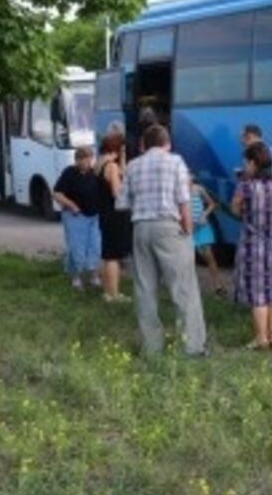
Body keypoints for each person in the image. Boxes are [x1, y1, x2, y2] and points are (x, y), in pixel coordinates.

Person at [124, 124, 207, 357]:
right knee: (183, 288)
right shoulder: (175, 162)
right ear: (167, 143)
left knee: (144, 288)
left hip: (140, 228)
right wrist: (188, 230)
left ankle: (151, 347)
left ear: (144, 144)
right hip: (169, 227)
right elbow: (184, 200)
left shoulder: (132, 165)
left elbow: (122, 202)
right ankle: (192, 347)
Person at [231, 141, 272, 349]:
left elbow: (235, 210)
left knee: (259, 293)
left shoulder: (245, 186)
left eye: (246, 162)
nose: (245, 166)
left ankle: (261, 338)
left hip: (253, 245)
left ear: (254, 163)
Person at [53, 146, 102, 289]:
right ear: (77, 160)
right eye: (82, 159)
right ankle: (76, 277)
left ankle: (93, 275)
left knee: (94, 246)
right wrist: (71, 204)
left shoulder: (94, 173)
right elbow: (57, 193)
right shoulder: (69, 173)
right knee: (76, 247)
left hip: (94, 216)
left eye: (88, 159)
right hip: (75, 215)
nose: (86, 162)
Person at [95, 132, 132, 302]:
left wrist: (122, 157)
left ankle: (107, 291)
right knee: (113, 256)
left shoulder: (100, 163)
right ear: (117, 147)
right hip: (115, 215)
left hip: (104, 213)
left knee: (107, 254)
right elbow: (117, 192)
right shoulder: (112, 166)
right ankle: (114, 294)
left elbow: (121, 172)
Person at [190, 176, 224, 296]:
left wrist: (204, 214)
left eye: (188, 175)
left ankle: (218, 285)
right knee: (189, 259)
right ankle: (191, 288)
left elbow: (211, 204)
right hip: (188, 228)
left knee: (209, 256)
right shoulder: (178, 190)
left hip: (202, 227)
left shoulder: (198, 189)